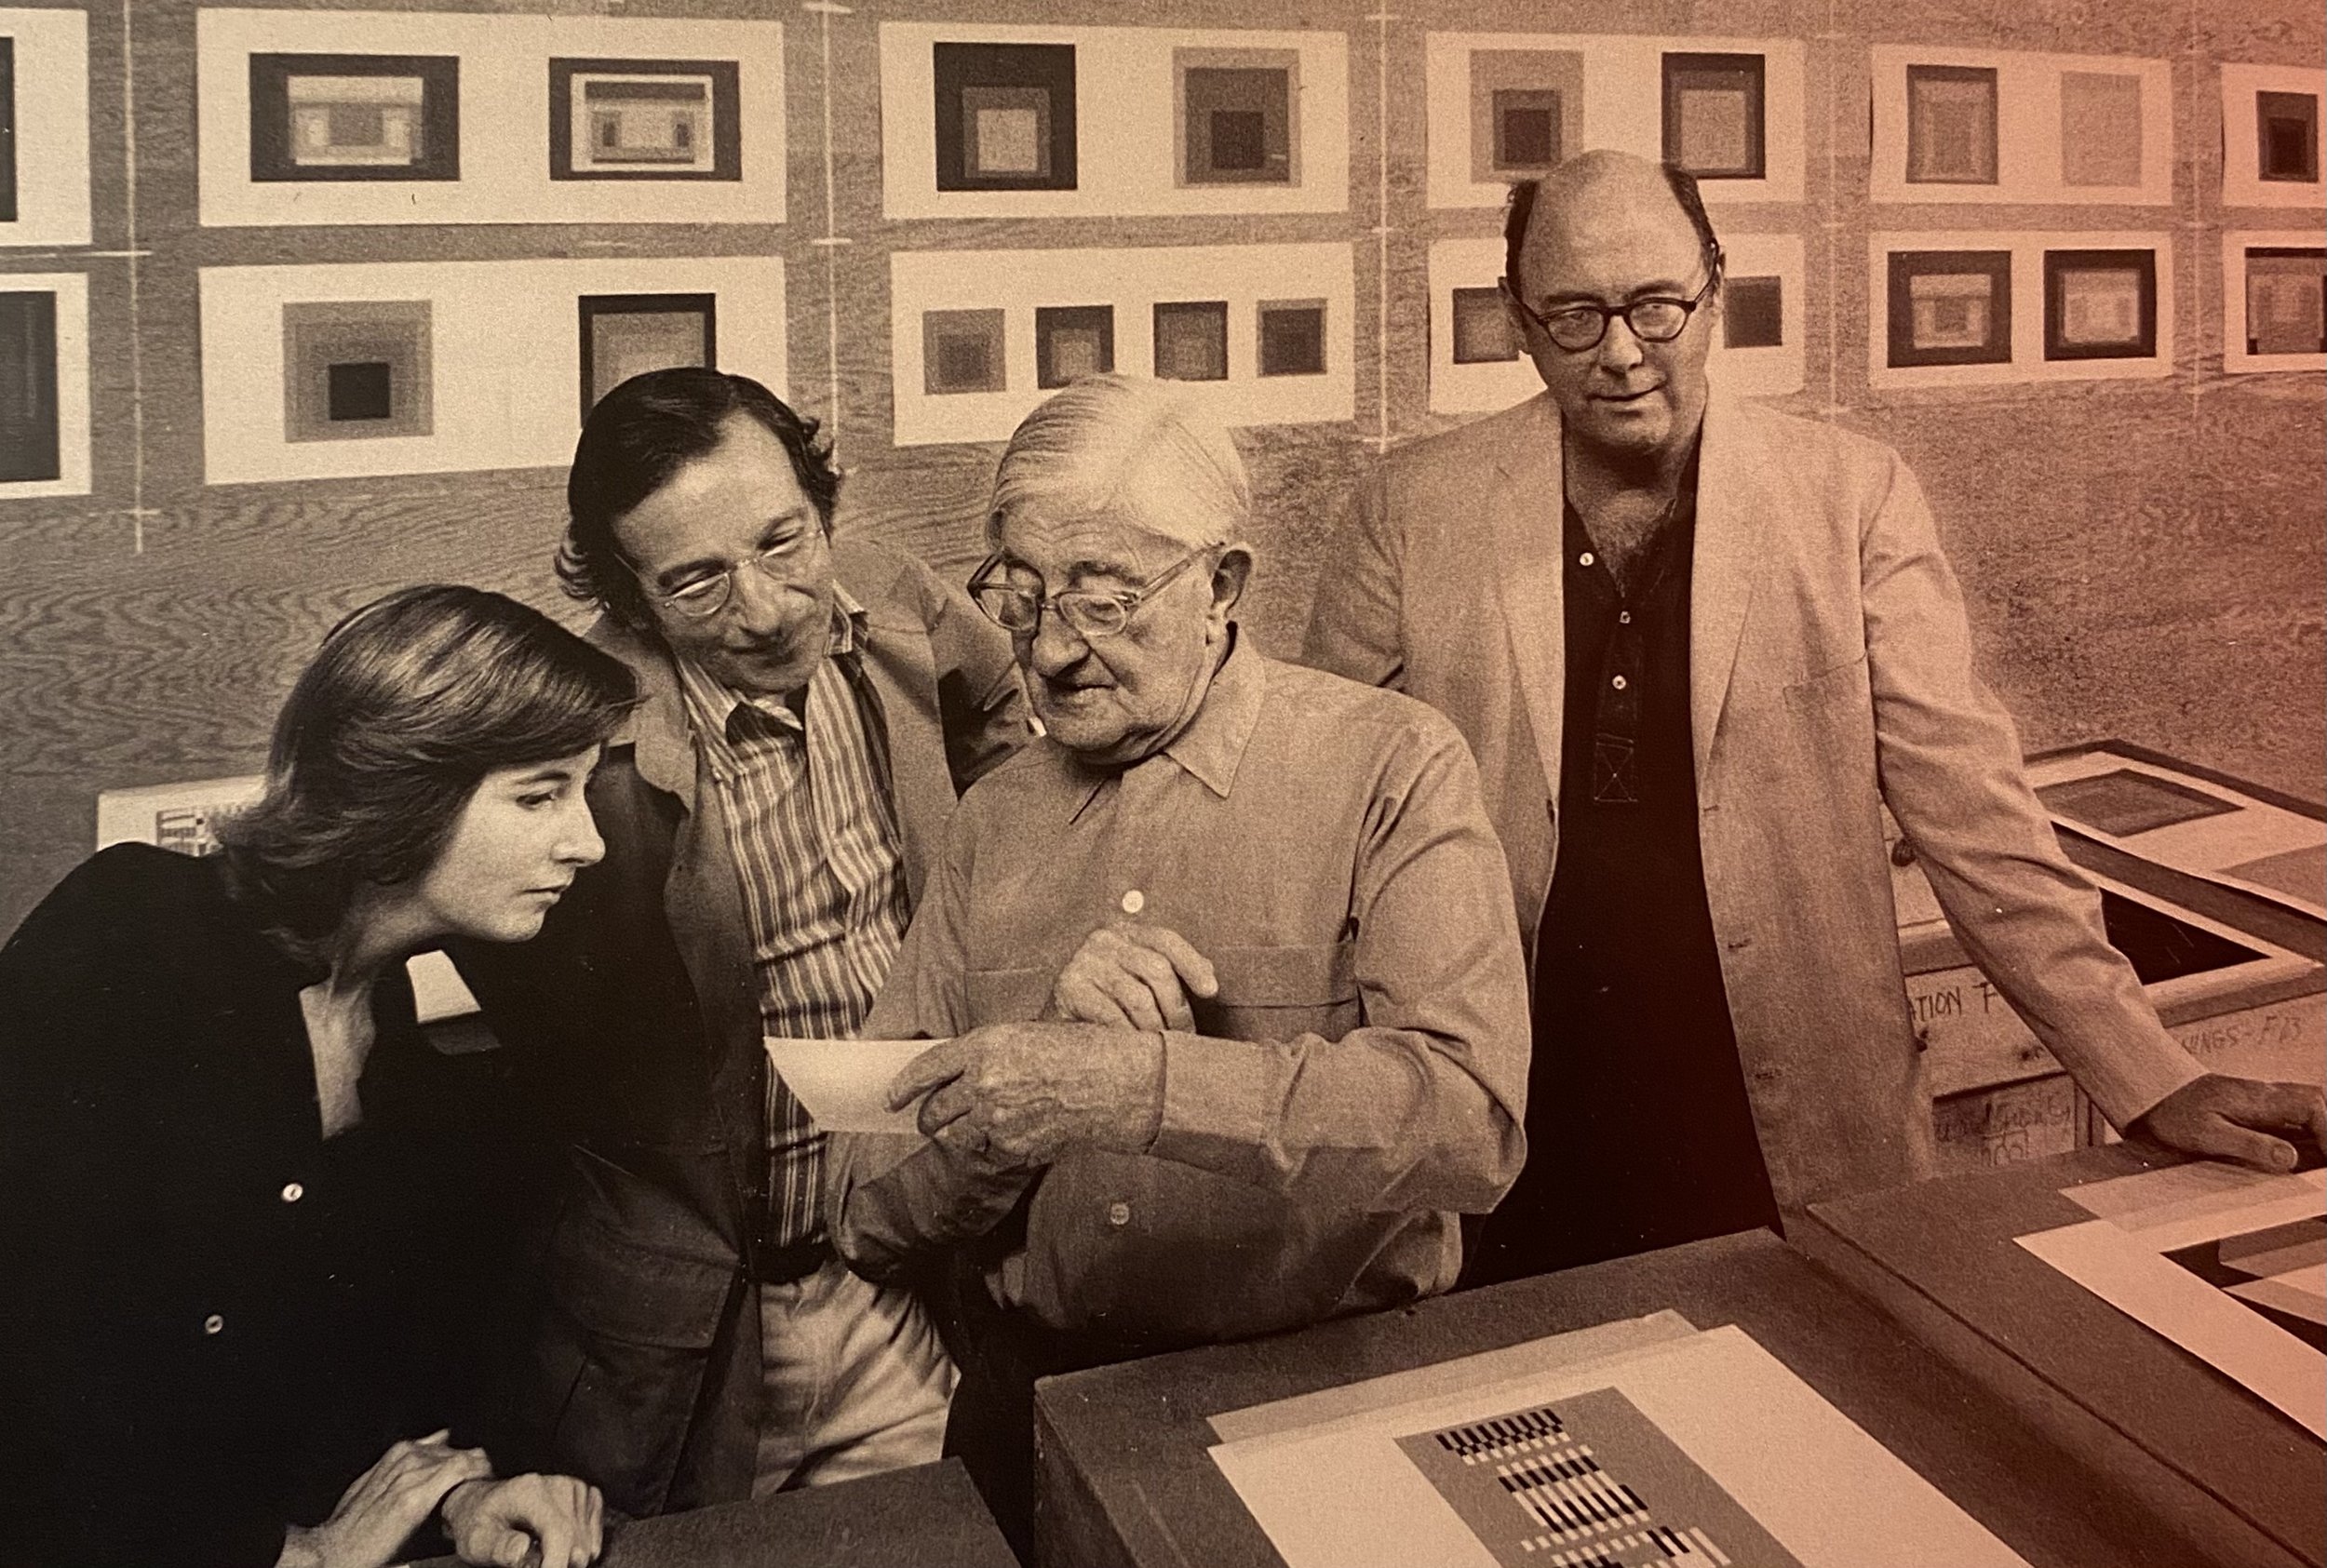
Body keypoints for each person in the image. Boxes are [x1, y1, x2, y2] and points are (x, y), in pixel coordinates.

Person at [1301, 150, 2327, 1287]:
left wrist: (2145, 1072)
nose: (1622, 353)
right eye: (1575, 316)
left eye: (1655, 305)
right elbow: (1329, 829)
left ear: (1714, 292)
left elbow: (1973, 813)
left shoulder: (1850, 496)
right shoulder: (1407, 511)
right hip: (1514, 1112)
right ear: (1517, 321)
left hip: (1784, 1106)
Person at [828, 374, 1531, 1549]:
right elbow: (866, 1209)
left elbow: (1469, 1125)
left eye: (1103, 600)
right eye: (1021, 594)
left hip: (1328, 1416)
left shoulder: (1392, 766)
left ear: (1222, 587)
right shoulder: (991, 821)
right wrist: (1017, 1110)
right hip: (1026, 1421)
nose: (1049, 651)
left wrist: (1132, 1088)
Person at [449, 369, 1028, 1517]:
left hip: (900, 1282)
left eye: (784, 541)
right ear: (627, 596)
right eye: (697, 580)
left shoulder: (897, 614)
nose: (764, 609)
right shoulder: (577, 748)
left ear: (824, 508)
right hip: (686, 1343)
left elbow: (1005, 723)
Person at [0, 585, 630, 1568]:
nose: (586, 840)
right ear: (402, 790)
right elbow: (39, 1381)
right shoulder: (129, 931)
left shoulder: (394, 1023)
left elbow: (325, 1375)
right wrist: (290, 1551)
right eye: (540, 793)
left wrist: (462, 1497)